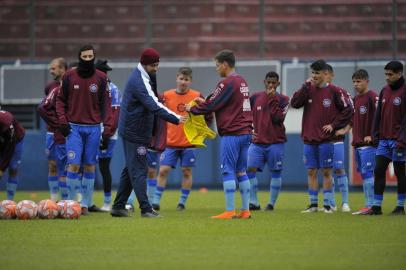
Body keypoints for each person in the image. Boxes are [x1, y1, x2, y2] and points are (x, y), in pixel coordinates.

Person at [111, 48, 186, 218]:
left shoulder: (146, 74)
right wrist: (176, 118)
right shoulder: (139, 80)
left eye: (158, 65)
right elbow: (153, 104)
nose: (156, 68)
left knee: (130, 168)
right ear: (145, 63)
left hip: (136, 130)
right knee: (139, 169)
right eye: (154, 65)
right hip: (134, 132)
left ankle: (117, 206)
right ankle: (146, 208)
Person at [186, 49, 253, 219]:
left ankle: (229, 210)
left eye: (217, 65)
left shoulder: (226, 83)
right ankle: (245, 211)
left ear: (224, 64)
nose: (216, 69)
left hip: (232, 133)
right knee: (241, 171)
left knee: (227, 170)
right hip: (246, 132)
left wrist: (192, 109)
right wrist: (207, 102)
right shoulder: (242, 81)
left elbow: (212, 105)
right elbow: (222, 102)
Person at [56, 44, 113, 215]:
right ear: (79, 57)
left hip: (94, 129)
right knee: (73, 165)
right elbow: (60, 100)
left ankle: (85, 204)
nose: (87, 60)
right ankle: (72, 204)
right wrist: (62, 121)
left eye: (90, 57)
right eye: (84, 57)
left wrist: (107, 129)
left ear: (94, 57)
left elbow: (106, 105)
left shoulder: (102, 78)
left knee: (90, 166)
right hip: (73, 128)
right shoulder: (68, 76)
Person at [290, 59, 353, 214]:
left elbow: (348, 109)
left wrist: (334, 125)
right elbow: (295, 103)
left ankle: (327, 205)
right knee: (311, 172)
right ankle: (313, 205)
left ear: (325, 74)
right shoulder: (308, 89)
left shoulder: (335, 91)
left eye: (317, 73)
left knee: (326, 172)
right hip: (309, 139)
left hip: (326, 139)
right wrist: (304, 86)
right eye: (313, 72)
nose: (314, 76)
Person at [152, 67, 207, 211]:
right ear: (177, 78)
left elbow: (208, 112)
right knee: (163, 170)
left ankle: (182, 202)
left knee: (186, 171)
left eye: (186, 80)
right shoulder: (166, 95)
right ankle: (156, 201)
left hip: (188, 143)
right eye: (181, 79)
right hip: (170, 142)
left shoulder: (197, 96)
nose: (183, 82)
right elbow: (158, 114)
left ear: (190, 81)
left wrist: (203, 131)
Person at [336, 69, 378, 215]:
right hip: (358, 143)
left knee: (368, 173)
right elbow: (352, 121)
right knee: (364, 174)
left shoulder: (372, 96)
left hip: (369, 144)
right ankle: (370, 205)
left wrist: (373, 135)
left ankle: (371, 205)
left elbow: (380, 117)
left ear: (367, 81)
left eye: (359, 81)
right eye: (354, 81)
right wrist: (345, 130)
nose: (356, 84)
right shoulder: (355, 100)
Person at [247, 71, 289, 211]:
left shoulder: (284, 99)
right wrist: (249, 130)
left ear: (278, 83)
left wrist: (272, 99)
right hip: (257, 142)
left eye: (273, 82)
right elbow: (246, 114)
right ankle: (254, 202)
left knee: (275, 172)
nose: (270, 85)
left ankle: (271, 204)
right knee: (249, 169)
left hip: (275, 142)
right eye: (268, 82)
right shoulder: (255, 97)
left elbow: (278, 118)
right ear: (264, 82)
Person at [368, 60, 406, 215]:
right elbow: (378, 115)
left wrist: (402, 139)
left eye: (390, 74)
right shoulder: (384, 90)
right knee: (378, 170)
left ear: (399, 73)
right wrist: (374, 134)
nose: (387, 77)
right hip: (384, 140)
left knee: (399, 172)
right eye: (386, 74)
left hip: (399, 140)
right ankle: (376, 207)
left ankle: (400, 207)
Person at [94, 59, 121, 212]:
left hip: (108, 134)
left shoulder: (113, 89)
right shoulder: (92, 88)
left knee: (104, 167)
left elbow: (115, 114)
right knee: (86, 166)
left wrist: (106, 134)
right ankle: (83, 201)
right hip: (92, 131)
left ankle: (106, 203)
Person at [325, 64, 352, 212]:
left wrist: (344, 129)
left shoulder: (339, 92)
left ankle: (345, 202)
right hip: (322, 140)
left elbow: (350, 110)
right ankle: (331, 203)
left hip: (336, 139)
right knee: (326, 170)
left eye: (327, 73)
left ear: (331, 75)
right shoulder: (315, 93)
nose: (325, 76)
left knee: (339, 168)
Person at [44, 58, 67, 201]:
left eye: (53, 68)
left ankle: (67, 200)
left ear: (62, 68)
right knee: (52, 165)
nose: (51, 71)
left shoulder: (71, 84)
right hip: (52, 132)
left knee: (68, 166)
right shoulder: (49, 87)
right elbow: (45, 108)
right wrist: (55, 123)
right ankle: (53, 200)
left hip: (67, 132)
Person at [0, 110, 25, 200]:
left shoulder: (7, 123)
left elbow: (10, 147)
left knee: (13, 168)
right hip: (3, 141)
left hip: (15, 141)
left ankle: (10, 201)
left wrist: (2, 168)